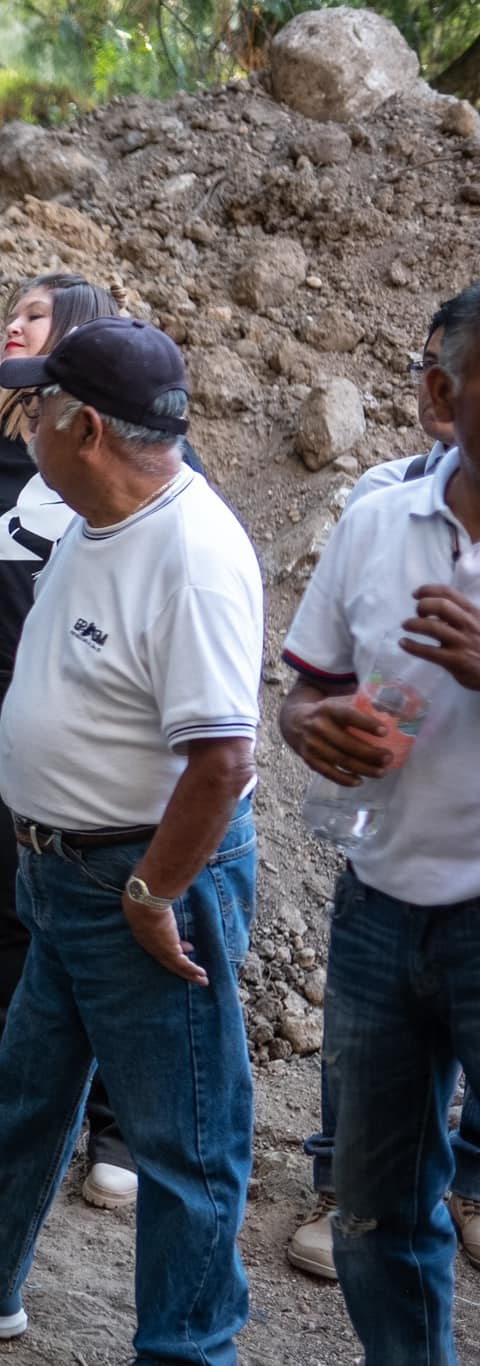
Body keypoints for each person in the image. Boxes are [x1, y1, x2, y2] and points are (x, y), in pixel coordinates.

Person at [0, 319, 264, 1366]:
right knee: (27, 1089)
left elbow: (221, 763)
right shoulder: (91, 518)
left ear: (79, 427)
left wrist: (151, 891)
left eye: (36, 408)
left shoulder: (190, 553)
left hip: (139, 875)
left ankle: (187, 1349)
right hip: (67, 870)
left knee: (184, 1141)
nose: (19, 422)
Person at [276, 281, 480, 1362]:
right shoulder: (372, 521)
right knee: (374, 1218)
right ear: (445, 394)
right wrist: (313, 728)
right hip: (376, 915)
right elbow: (302, 688)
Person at [0, 273, 144, 1209]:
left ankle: (117, 1128)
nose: (12, 321)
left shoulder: (126, 460)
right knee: (18, 907)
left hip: (95, 726)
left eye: (35, 313)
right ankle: (30, 1108)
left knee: (100, 920)